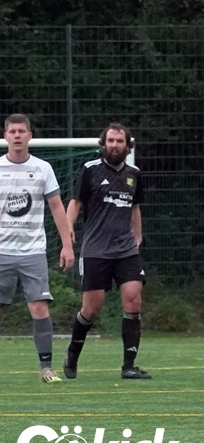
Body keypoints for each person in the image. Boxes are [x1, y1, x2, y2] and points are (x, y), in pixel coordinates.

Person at [0, 114, 74, 384]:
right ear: (6, 136)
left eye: (21, 131)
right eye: (13, 131)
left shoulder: (43, 169)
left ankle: (46, 368)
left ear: (30, 136)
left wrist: (67, 245)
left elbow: (57, 207)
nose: (17, 135)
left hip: (33, 250)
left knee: (39, 308)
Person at [63, 122, 149, 380]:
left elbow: (135, 206)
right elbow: (75, 202)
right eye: (110, 141)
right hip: (96, 249)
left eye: (119, 141)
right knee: (92, 308)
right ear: (104, 144)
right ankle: (72, 354)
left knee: (133, 299)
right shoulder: (91, 170)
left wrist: (138, 236)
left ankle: (129, 366)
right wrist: (67, 229)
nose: (114, 145)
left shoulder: (134, 173)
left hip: (125, 249)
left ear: (127, 146)